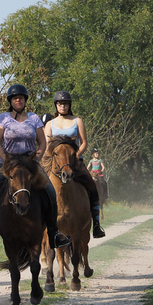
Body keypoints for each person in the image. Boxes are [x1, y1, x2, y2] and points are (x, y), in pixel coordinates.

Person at [0, 84, 71, 250]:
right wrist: (4, 157)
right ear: (10, 101)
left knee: (50, 193)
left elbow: (42, 142)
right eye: (15, 98)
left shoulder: (34, 118)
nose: (18, 100)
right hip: (8, 165)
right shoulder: (3, 118)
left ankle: (54, 234)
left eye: (21, 98)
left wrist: (37, 155)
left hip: (30, 165)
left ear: (25, 100)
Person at [44, 91, 105, 238]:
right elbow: (47, 146)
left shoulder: (77, 121)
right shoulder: (50, 124)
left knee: (91, 186)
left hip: (75, 162)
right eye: (60, 104)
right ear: (56, 106)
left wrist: (75, 157)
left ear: (69, 105)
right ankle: (42, 223)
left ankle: (96, 224)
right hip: (56, 163)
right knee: (41, 187)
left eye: (65, 104)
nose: (63, 106)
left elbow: (84, 142)